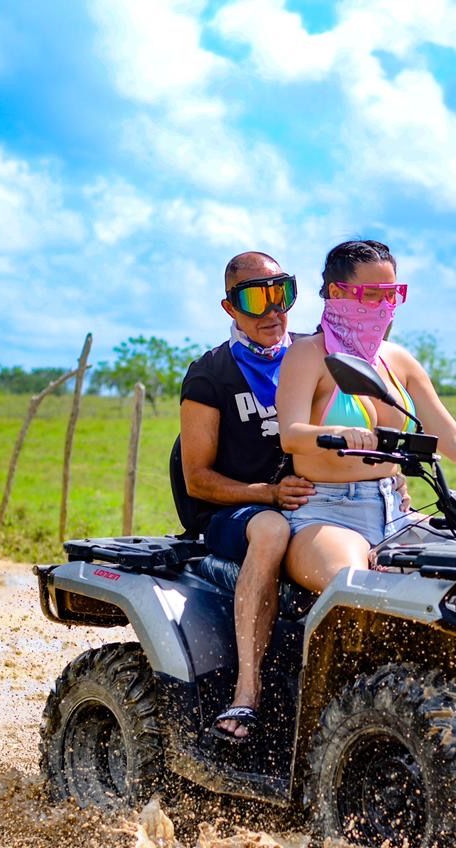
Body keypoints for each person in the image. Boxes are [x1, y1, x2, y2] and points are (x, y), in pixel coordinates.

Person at [277, 239, 456, 593]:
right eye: (372, 294)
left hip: (396, 510)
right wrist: (339, 433)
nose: (384, 306)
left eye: (392, 294)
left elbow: (454, 443)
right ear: (337, 291)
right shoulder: (306, 355)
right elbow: (290, 434)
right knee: (357, 590)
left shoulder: (399, 360)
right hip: (328, 513)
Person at [179, 250, 315, 742]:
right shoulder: (209, 375)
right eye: (255, 298)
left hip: (309, 501)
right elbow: (197, 478)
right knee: (272, 529)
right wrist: (268, 494)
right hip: (235, 512)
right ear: (229, 308)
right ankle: (247, 691)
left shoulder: (312, 356)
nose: (272, 311)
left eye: (283, 294)